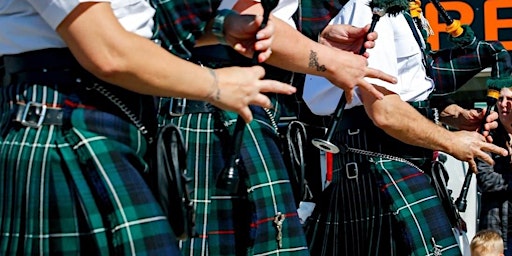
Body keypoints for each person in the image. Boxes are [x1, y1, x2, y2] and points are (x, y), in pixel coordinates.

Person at [0, 1, 298, 255]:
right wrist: (217, 85)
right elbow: (108, 52)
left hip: (112, 123)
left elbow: (134, 27)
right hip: (63, 122)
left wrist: (220, 28)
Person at [152, 0, 399, 254]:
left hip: (241, 108)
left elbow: (233, 24)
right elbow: (249, 19)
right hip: (213, 111)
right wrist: (328, 59)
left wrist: (315, 45)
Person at [301, 0, 509, 254]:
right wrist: (452, 141)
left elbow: (406, 90)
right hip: (378, 163)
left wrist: (453, 115)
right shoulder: (370, 7)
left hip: (403, 162)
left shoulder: (403, 13)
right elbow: (383, 110)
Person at [476, 87, 512, 256]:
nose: (504, 104)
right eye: (500, 99)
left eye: (509, 99)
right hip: (496, 233)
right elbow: (486, 180)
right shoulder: (488, 137)